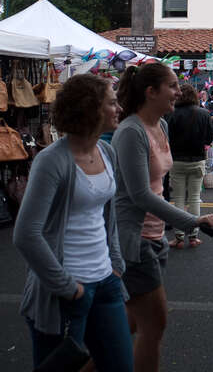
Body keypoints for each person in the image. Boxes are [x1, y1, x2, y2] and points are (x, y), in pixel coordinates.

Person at [13, 74, 133, 371]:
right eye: (112, 103)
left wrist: (116, 265)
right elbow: (26, 234)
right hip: (66, 292)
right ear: (90, 109)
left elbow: (109, 215)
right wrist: (68, 288)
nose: (119, 108)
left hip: (107, 282)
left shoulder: (107, 151)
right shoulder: (52, 161)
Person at [112, 63, 213, 372]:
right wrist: (191, 221)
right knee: (155, 325)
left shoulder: (163, 125)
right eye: (172, 86)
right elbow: (139, 195)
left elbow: (161, 188)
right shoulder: (130, 132)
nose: (178, 92)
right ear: (151, 91)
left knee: (131, 323)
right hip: (136, 238)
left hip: (157, 236)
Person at [165, 84, 213, 249]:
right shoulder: (204, 113)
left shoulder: (170, 114)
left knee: (178, 199)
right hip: (197, 160)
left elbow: (165, 138)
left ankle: (178, 238)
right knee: (194, 198)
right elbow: (209, 138)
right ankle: (193, 237)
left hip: (177, 160)